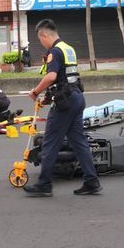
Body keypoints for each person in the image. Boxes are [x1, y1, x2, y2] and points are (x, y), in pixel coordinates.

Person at [24, 19, 101, 197]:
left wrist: (35, 92)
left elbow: (51, 77)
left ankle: (44, 184)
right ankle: (92, 181)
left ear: (44, 35)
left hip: (65, 103)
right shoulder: (68, 48)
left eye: (40, 39)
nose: (41, 43)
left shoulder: (55, 51)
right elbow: (65, 78)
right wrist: (48, 97)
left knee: (50, 142)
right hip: (76, 97)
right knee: (79, 142)